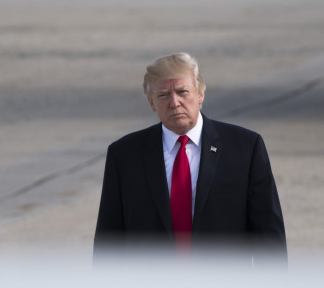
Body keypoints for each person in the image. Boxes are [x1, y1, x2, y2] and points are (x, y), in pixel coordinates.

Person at [93, 52, 286, 264]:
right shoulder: (124, 155)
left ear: (201, 94)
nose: (174, 103)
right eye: (164, 95)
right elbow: (108, 241)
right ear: (151, 102)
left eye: (182, 92)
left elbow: (268, 235)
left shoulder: (245, 148)